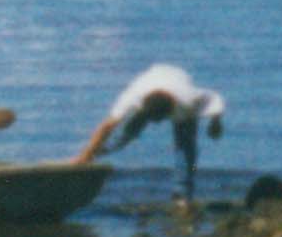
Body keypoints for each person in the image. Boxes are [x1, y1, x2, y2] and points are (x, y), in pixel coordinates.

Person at [75, 62, 228, 198]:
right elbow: (107, 126)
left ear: (171, 110)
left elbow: (215, 98)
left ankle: (183, 194)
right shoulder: (132, 98)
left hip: (177, 80)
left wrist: (215, 124)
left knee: (186, 148)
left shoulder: (188, 101)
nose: (157, 124)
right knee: (124, 135)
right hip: (153, 78)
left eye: (160, 119)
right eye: (153, 119)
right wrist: (86, 153)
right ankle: (90, 157)